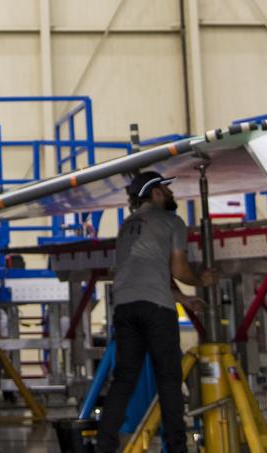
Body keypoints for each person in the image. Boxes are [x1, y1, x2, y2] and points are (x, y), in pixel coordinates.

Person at [96, 171, 214, 453]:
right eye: (166, 189)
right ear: (157, 193)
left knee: (124, 379)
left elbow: (146, 271)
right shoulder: (172, 221)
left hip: (125, 307)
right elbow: (179, 269)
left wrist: (183, 298)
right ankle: (176, 447)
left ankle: (104, 445)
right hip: (156, 310)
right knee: (169, 380)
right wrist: (201, 280)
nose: (171, 194)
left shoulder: (127, 225)